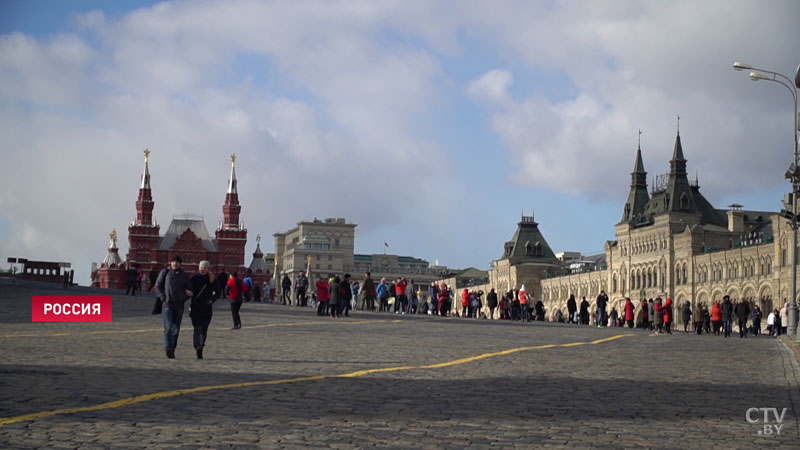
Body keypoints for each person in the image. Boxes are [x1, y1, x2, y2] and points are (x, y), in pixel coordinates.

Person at [155, 255, 193, 359]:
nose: (175, 263)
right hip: (167, 304)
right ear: (170, 263)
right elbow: (157, 286)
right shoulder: (165, 272)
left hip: (179, 305)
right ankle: (168, 347)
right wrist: (163, 297)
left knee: (175, 329)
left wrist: (184, 298)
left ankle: (172, 348)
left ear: (180, 264)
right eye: (173, 261)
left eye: (177, 262)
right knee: (168, 327)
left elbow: (190, 290)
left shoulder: (184, 275)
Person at [190, 261, 218, 359]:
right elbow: (189, 290)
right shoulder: (194, 278)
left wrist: (212, 300)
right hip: (196, 307)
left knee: (204, 328)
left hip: (206, 307)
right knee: (197, 327)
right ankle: (197, 345)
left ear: (208, 268)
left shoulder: (211, 279)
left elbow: (218, 291)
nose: (202, 269)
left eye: (204, 267)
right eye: (201, 267)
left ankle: (200, 346)